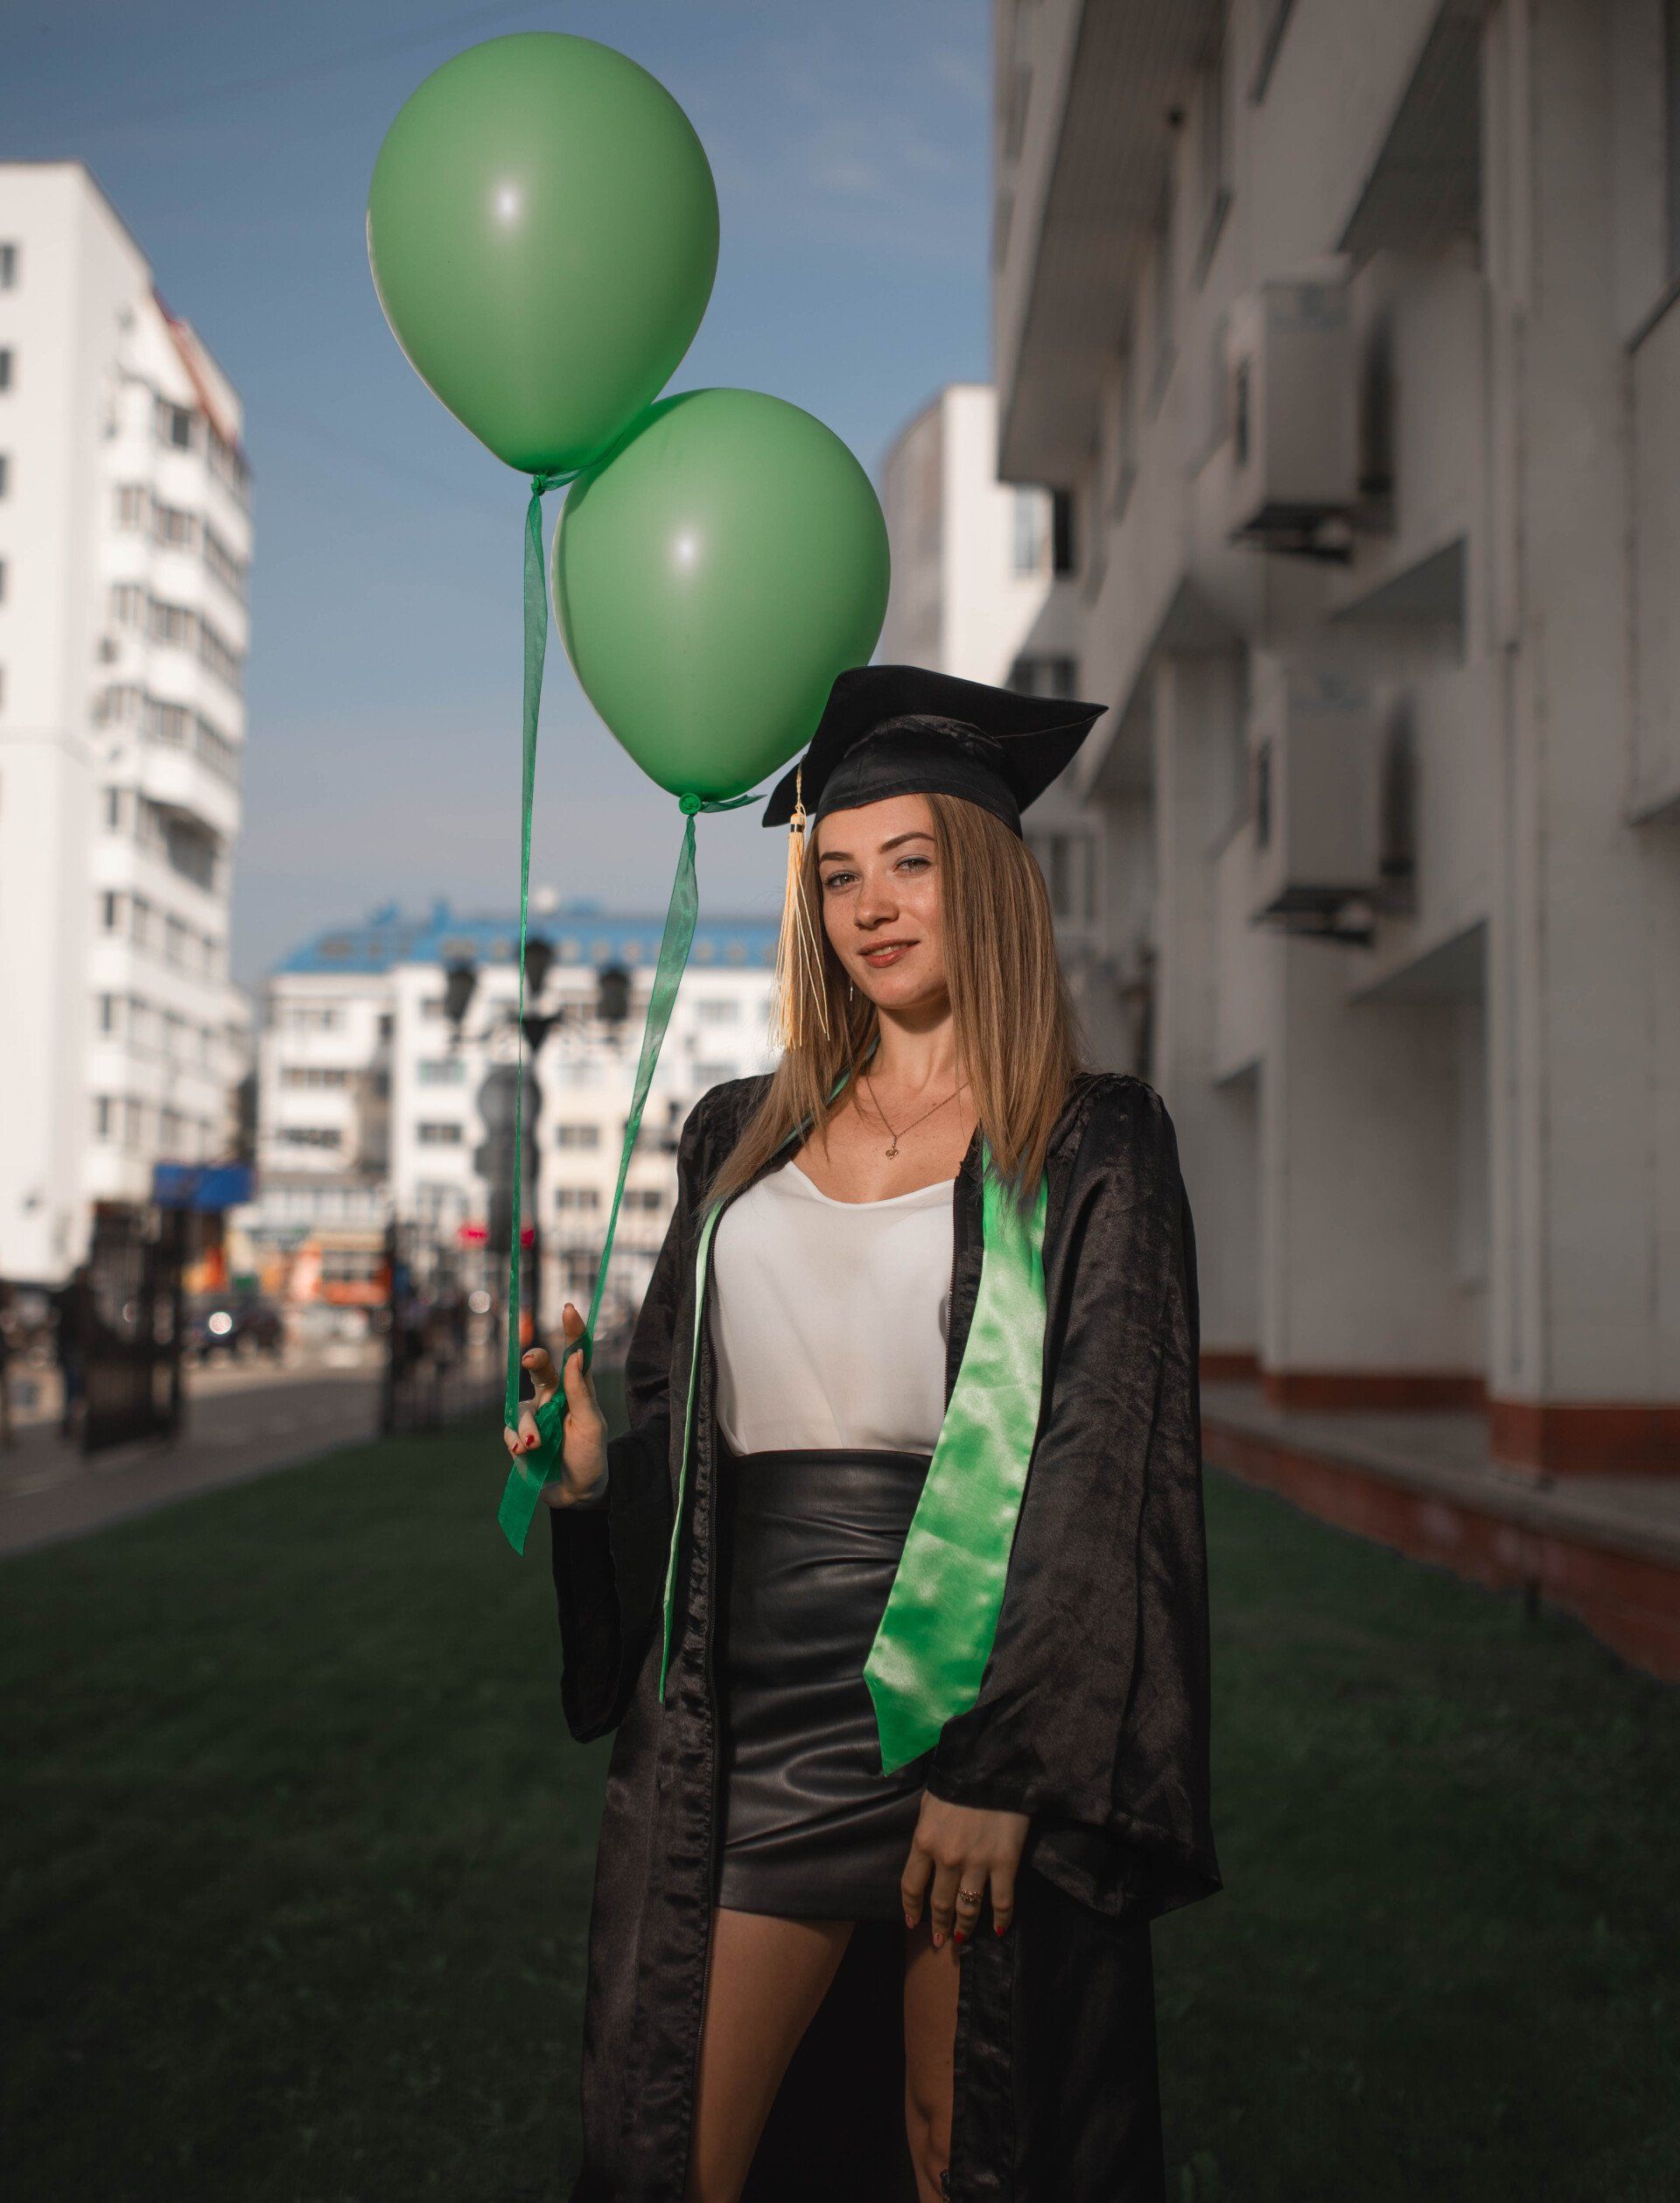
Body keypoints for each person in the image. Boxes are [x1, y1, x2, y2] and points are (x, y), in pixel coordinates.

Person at [504, 665, 1220, 2203]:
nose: (873, 905)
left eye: (912, 863)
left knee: (966, 2151)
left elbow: (1105, 1478)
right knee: (667, 2148)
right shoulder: (736, 1131)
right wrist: (586, 1489)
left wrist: (1004, 1766)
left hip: (964, 1711)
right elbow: (676, 1441)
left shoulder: (1086, 1144)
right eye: (838, 871)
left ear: (987, 879)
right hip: (749, 1732)